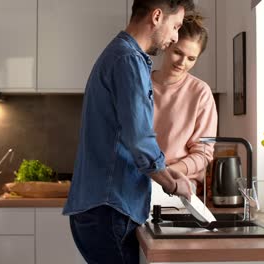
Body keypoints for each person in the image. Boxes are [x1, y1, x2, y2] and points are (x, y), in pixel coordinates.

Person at [62, 1, 195, 263]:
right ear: (157, 16)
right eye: (176, 26)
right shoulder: (129, 59)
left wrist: (167, 170)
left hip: (99, 208)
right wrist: (171, 184)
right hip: (110, 208)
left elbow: (127, 135)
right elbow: (139, 138)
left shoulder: (118, 54)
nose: (176, 36)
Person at [151, 13, 218, 204]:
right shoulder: (140, 84)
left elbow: (203, 153)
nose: (182, 63)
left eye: (191, 58)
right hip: (136, 182)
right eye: (178, 53)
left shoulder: (200, 92)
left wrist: (165, 173)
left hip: (178, 186)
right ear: (167, 45)